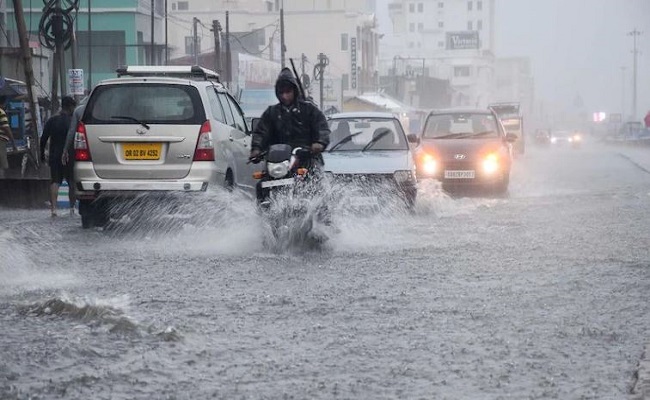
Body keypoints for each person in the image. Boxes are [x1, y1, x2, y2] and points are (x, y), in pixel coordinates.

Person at [249, 68, 330, 165]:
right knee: (263, 178)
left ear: (294, 91)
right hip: (277, 163)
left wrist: (320, 143)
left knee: (314, 174)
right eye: (281, 92)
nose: (284, 96)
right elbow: (261, 132)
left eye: (288, 92)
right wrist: (256, 149)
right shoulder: (271, 112)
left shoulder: (309, 110)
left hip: (307, 159)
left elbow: (322, 128)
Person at [40, 95, 77, 217]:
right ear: (70, 106)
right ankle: (72, 209)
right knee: (71, 182)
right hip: (69, 156)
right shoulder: (73, 121)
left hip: (55, 155)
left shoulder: (52, 120)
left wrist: (41, 154)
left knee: (55, 181)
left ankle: (54, 210)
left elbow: (43, 138)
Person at [0, 96, 17, 179]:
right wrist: (13, 143)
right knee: (3, 164)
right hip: (1, 141)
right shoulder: (1, 112)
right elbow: (6, 128)